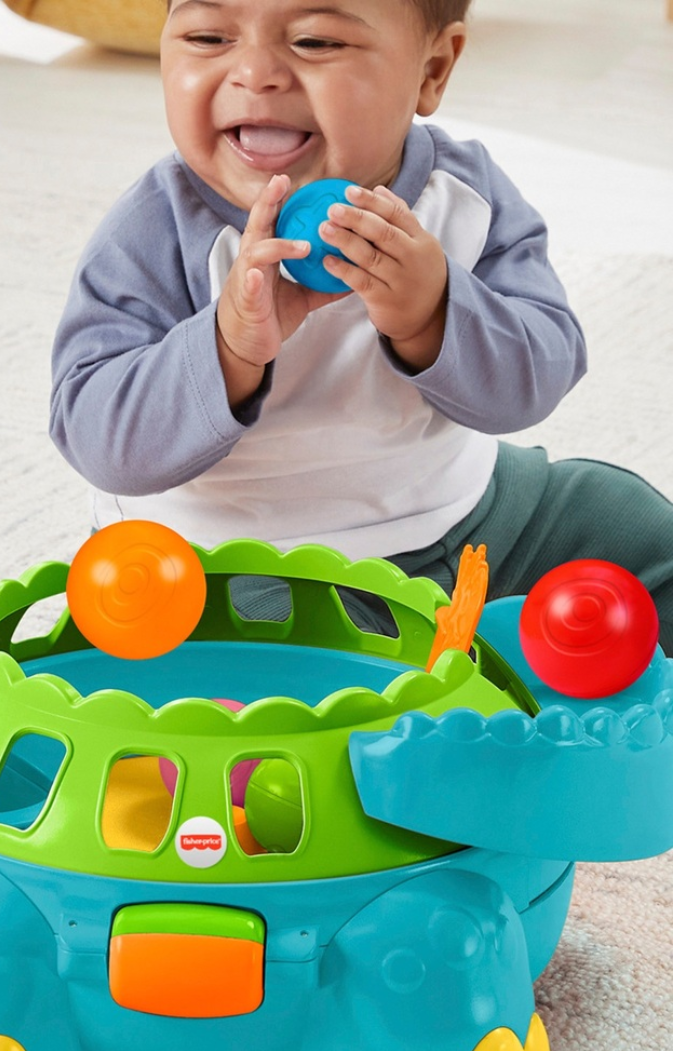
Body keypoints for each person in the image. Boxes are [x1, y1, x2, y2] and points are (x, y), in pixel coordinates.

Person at [49, 0, 673, 651]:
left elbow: (537, 379)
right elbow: (97, 439)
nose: (255, 73)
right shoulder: (155, 228)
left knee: (632, 525)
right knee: (282, 664)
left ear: (432, 70)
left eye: (315, 41)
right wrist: (227, 349)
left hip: (461, 518)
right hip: (235, 561)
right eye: (208, 36)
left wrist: (434, 312)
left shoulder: (463, 194)